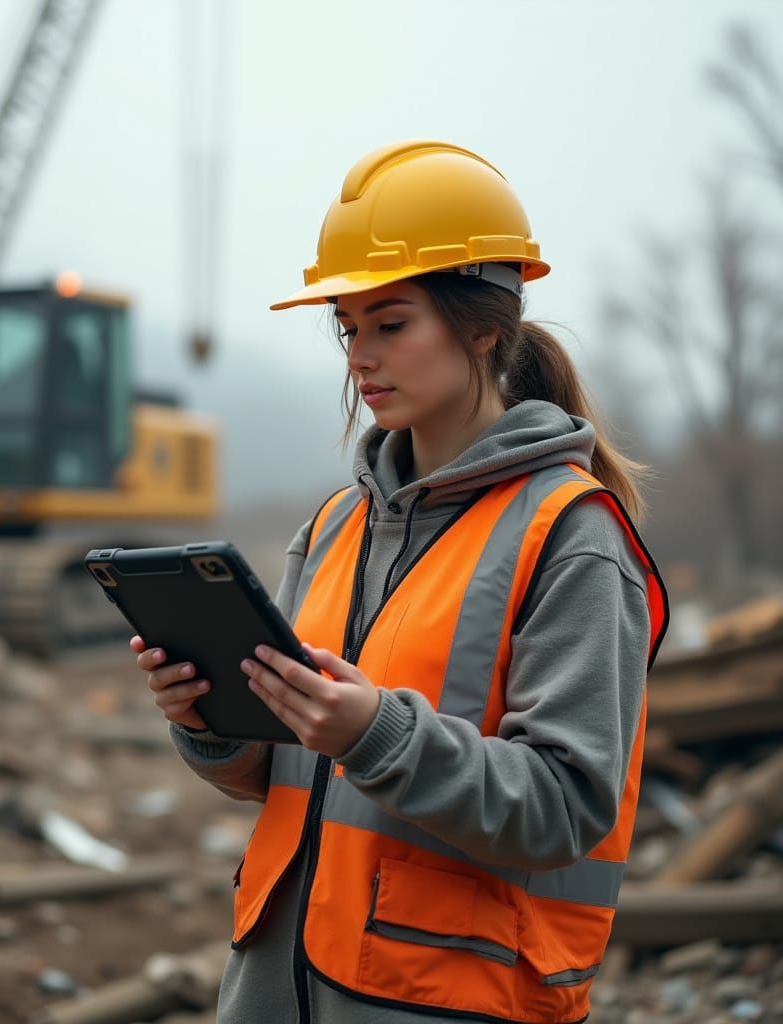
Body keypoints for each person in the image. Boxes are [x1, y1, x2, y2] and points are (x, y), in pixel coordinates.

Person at [130, 140, 669, 1024]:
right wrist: (209, 722)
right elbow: (285, 773)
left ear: (482, 325)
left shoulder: (573, 537)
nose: (360, 356)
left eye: (391, 323)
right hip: (275, 985)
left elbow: (565, 809)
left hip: (441, 998)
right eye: (348, 327)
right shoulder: (336, 526)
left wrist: (373, 732)